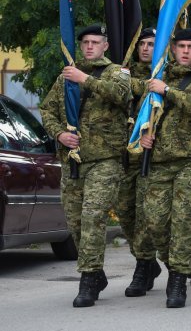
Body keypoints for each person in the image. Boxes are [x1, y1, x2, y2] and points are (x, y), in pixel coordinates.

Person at [40, 24, 131, 307]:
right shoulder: (66, 77)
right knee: (76, 222)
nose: (90, 47)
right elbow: (47, 109)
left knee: (93, 217)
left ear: (105, 45)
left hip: (105, 159)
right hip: (74, 160)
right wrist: (59, 133)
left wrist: (85, 80)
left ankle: (89, 278)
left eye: (95, 42)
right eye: (85, 43)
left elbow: (121, 96)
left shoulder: (118, 73)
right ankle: (96, 270)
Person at [137, 28, 191, 308]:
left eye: (190, 46)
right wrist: (143, 135)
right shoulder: (156, 78)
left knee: (183, 219)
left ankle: (178, 278)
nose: (185, 51)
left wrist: (168, 91)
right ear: (172, 49)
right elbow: (141, 114)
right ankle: (172, 263)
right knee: (155, 221)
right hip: (159, 160)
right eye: (180, 46)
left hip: (190, 161)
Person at [118, 27, 163, 298]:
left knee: (146, 215)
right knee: (125, 213)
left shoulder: (164, 75)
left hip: (152, 157)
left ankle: (142, 266)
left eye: (151, 44)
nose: (146, 48)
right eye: (143, 44)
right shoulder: (124, 72)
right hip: (125, 156)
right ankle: (147, 261)